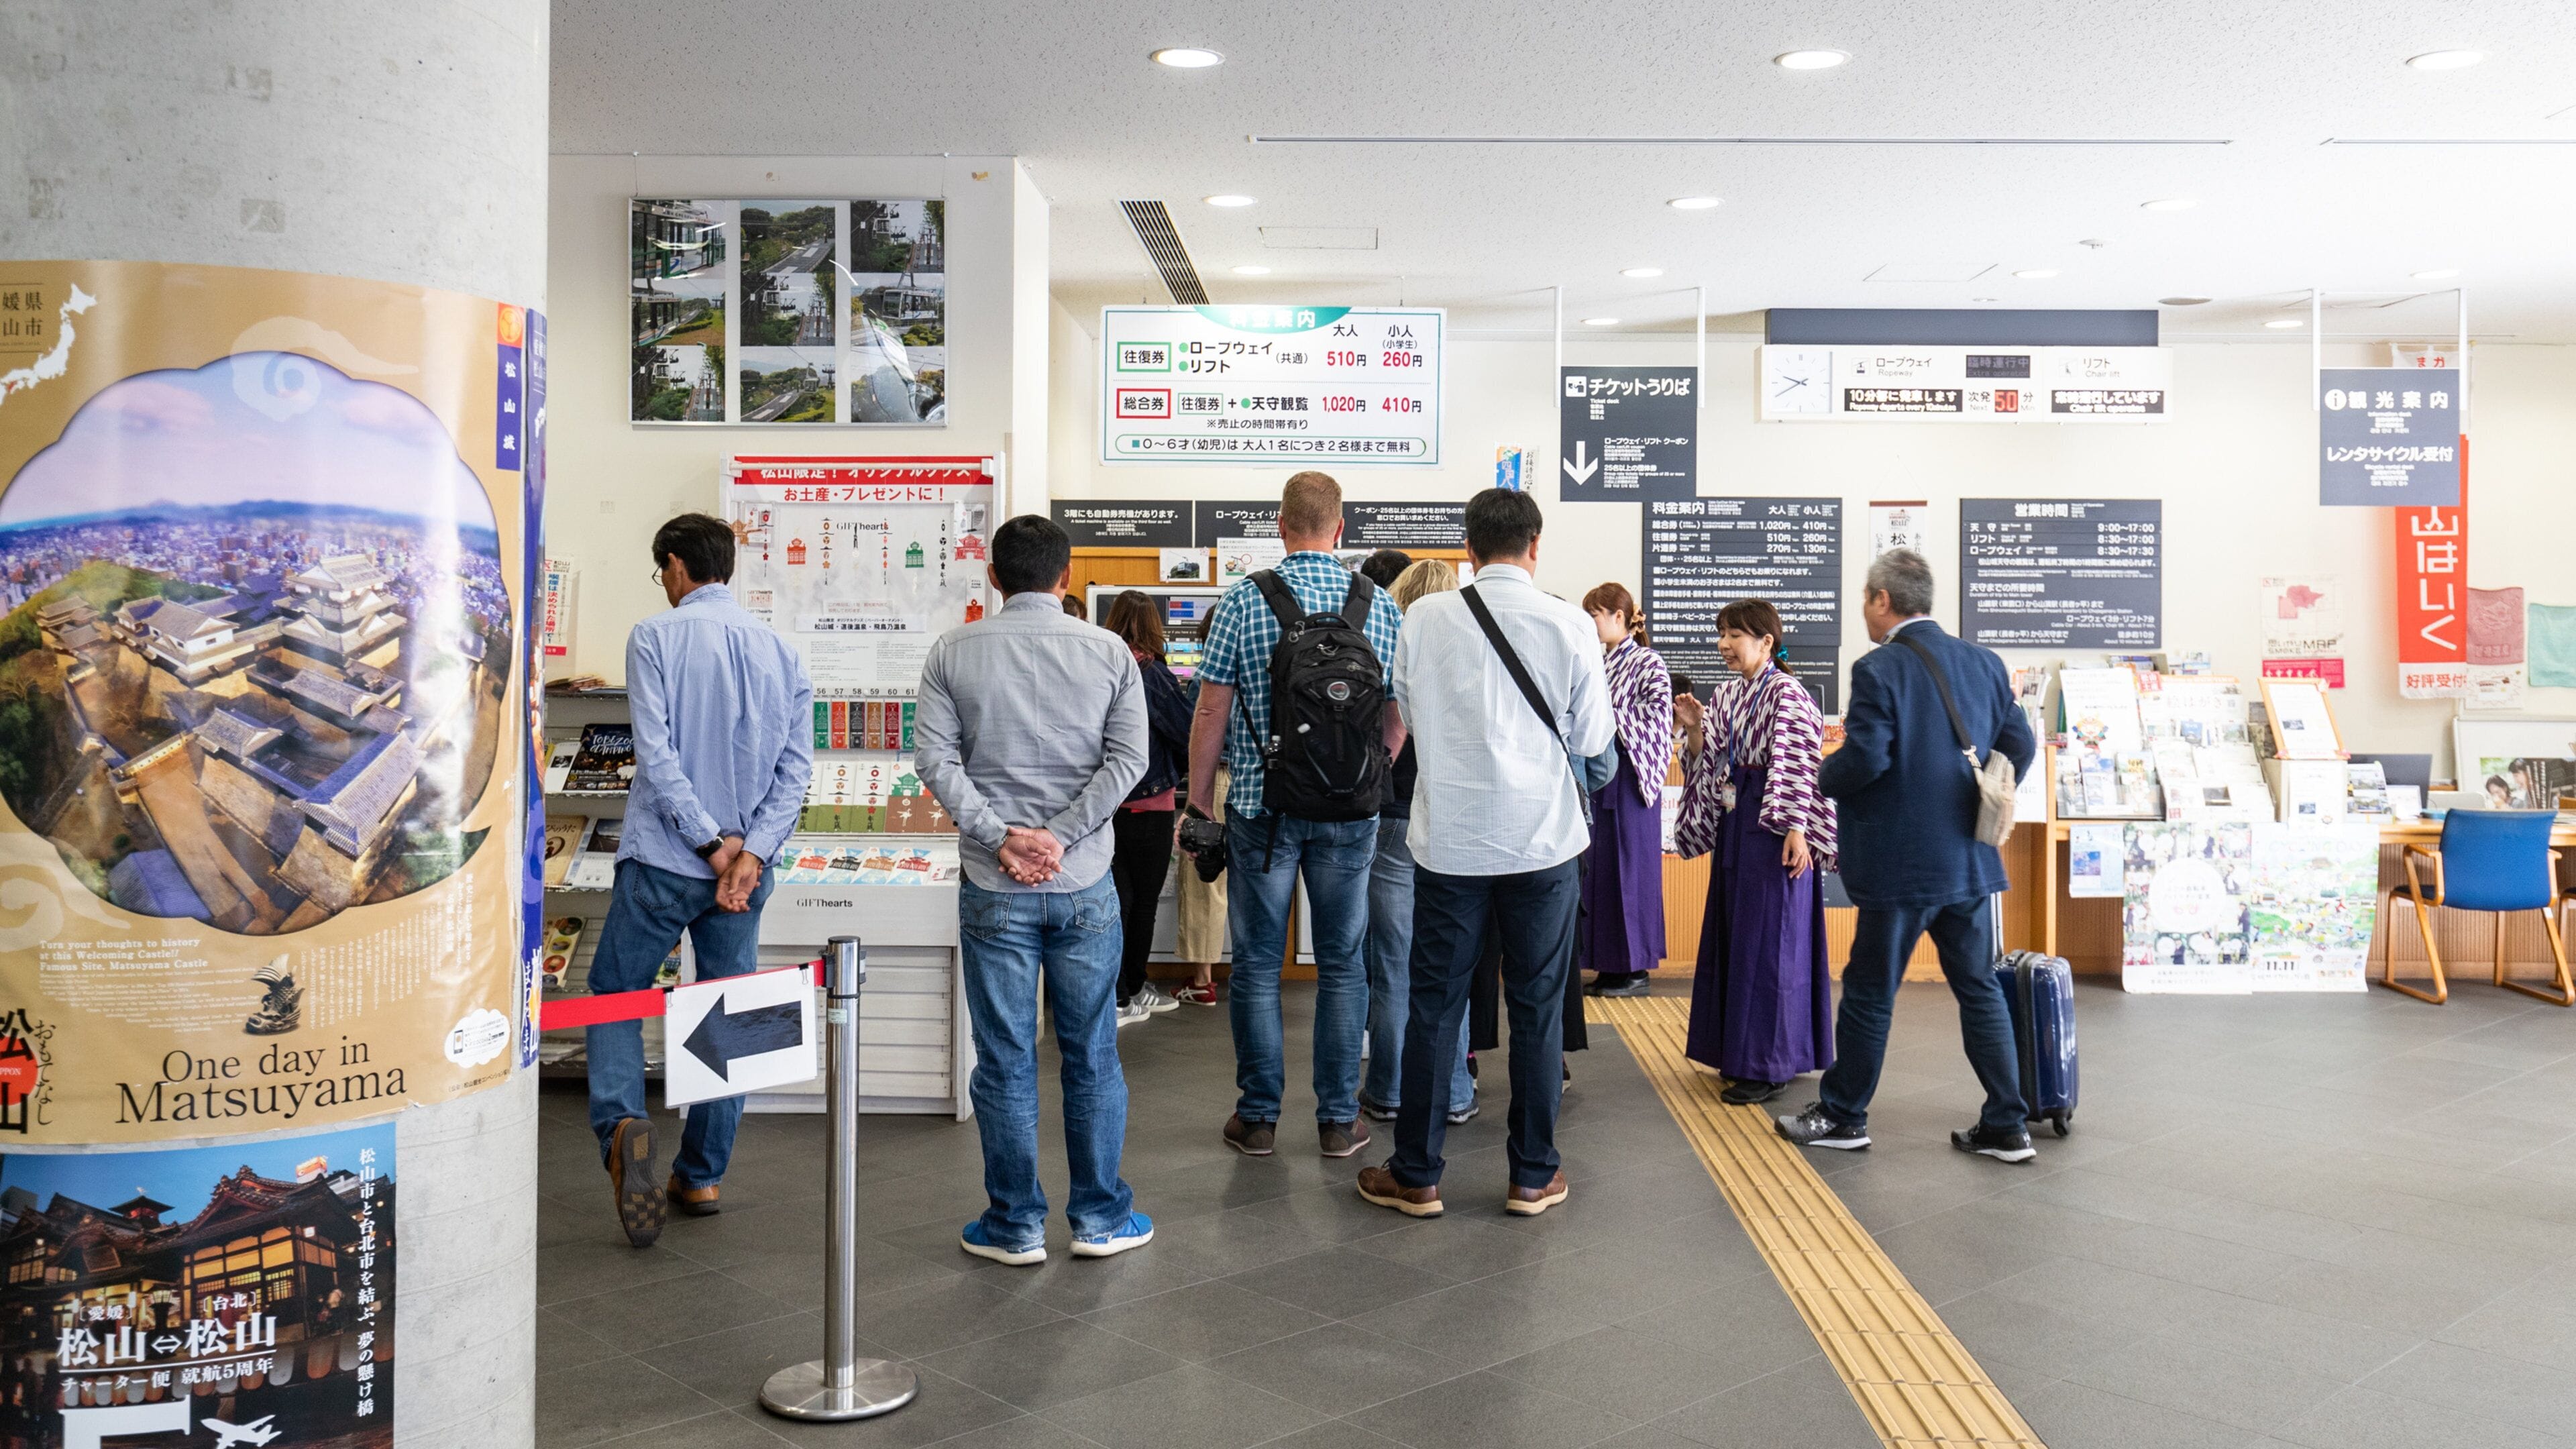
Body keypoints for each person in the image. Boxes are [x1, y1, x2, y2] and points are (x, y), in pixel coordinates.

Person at [1356, 488, 1612, 1220]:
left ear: (1468, 549)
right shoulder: (1570, 623)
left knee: (1434, 1006)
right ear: (1535, 546)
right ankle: (1532, 1176)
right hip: (1544, 844)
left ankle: (1417, 1175)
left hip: (1452, 844)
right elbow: (1595, 744)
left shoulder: (1424, 619)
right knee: (1535, 1008)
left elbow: (1401, 707)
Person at [915, 514, 1155, 1263]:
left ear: (993, 576)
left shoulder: (953, 650)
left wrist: (1005, 836)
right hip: (1084, 881)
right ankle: (1100, 1220)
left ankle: (1016, 1224)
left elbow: (935, 762)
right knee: (1091, 1054)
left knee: (1007, 1056)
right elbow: (1129, 761)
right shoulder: (1111, 650)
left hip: (994, 884)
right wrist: (1064, 835)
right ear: (1066, 577)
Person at [589, 513, 812, 1247]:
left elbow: (656, 759)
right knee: (730, 1008)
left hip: (663, 859)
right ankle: (704, 1172)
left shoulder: (654, 637)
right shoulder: (782, 650)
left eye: (662, 571)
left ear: (677, 567)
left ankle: (624, 1125)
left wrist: (709, 844)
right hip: (744, 875)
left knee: (616, 993)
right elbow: (795, 772)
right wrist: (748, 856)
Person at [1776, 549, 2039, 1164]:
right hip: (1969, 862)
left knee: (1870, 991)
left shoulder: (1879, 669)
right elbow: (2019, 744)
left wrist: (1820, 775)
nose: (1865, 609)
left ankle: (1844, 1115)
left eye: (1866, 599)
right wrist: (1979, 796)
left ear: (1882, 601)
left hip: (1900, 865)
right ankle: (2008, 1123)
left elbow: (1868, 758)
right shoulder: (1983, 662)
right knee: (1978, 988)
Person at [1187, 472, 1405, 1160]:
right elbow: (1397, 718)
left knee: (1254, 964)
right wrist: (1371, 776)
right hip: (1352, 816)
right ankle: (1339, 1121)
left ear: (1280, 526)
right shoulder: (1379, 605)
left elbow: (1211, 713)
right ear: (1341, 529)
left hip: (1261, 809)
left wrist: (1198, 804)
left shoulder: (1244, 602)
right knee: (1343, 964)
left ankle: (1257, 1119)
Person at [1673, 599, 1837, 1106]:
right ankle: (1739, 1051)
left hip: (1774, 826)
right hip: (1737, 818)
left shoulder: (1788, 694)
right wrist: (1697, 729)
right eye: (1721, 633)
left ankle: (1769, 1063)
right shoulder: (1728, 693)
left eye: (1736, 635)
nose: (1725, 644)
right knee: (1740, 934)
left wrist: (1797, 829)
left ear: (1767, 642)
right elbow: (1709, 757)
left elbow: (1798, 763)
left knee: (1772, 942)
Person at [1358, 559, 1477, 1128]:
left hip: (1388, 819)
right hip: (1456, 821)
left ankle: (1386, 1090)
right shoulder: (1471, 654)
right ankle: (1454, 1091)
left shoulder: (1383, 649)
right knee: (1452, 964)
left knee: (1392, 966)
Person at [1577, 583, 1674, 998]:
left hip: (1631, 779)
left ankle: (1635, 968)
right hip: (1602, 777)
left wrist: (1607, 714)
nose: (1591, 623)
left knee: (1630, 873)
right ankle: (1609, 965)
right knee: (1599, 874)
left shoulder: (1647, 661)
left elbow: (1659, 717)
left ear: (1620, 617)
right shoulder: (1601, 662)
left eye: (1596, 614)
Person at [1104, 589, 1193, 1026]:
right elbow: (1185, 732)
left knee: (1113, 902)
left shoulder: (1097, 667)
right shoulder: (1154, 676)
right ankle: (1131, 990)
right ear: (1154, 628)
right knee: (1142, 904)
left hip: (1103, 806)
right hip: (1150, 805)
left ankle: (1117, 993)